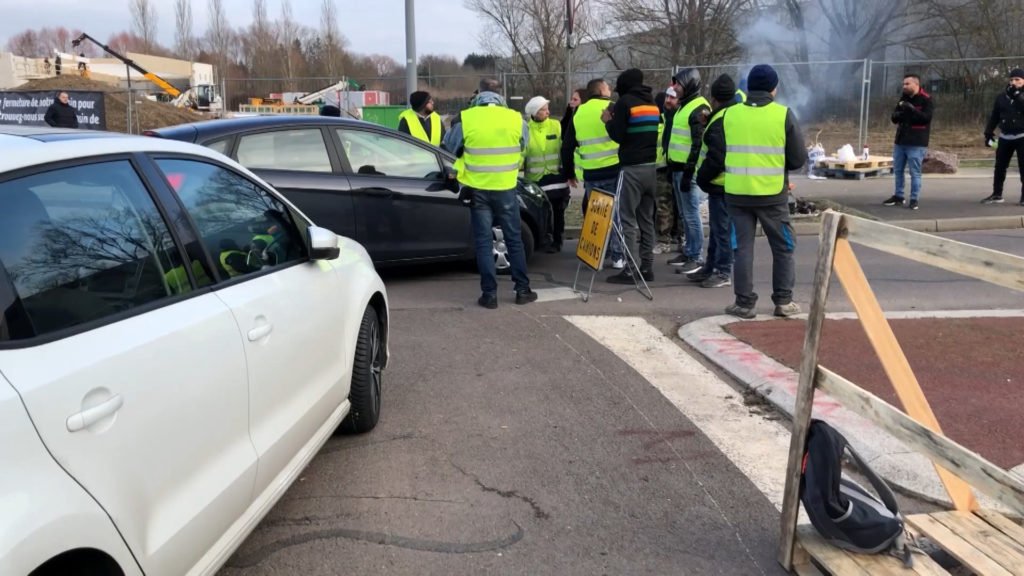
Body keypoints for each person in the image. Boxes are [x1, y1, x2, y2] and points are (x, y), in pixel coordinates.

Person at [716, 64, 807, 319]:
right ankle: (783, 301)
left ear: (748, 87)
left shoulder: (730, 115)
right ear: (774, 89)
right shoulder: (783, 114)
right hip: (772, 195)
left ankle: (744, 303)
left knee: (742, 249)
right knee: (783, 247)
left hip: (736, 194)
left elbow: (720, 151)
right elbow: (798, 158)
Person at [446, 78, 537, 309]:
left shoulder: (467, 118)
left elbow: (450, 147)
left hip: (478, 189)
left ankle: (489, 295)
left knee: (484, 242)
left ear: (480, 93)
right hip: (506, 187)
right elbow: (524, 146)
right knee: (514, 239)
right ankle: (522, 290)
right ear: (500, 94)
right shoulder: (516, 118)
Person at [603, 68, 659, 284]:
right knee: (646, 221)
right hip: (651, 168)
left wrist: (608, 120)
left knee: (627, 220)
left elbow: (618, 135)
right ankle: (647, 267)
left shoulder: (625, 103)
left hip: (632, 169)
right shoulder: (652, 103)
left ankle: (630, 270)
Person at [564, 78, 625, 268]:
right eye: (607, 86)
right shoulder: (612, 107)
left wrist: (569, 172)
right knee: (616, 215)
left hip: (591, 173)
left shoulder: (579, 112)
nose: (610, 89)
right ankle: (618, 257)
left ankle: (596, 254)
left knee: (596, 215)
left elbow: (567, 147)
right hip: (614, 169)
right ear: (600, 90)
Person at [692, 74, 741, 289]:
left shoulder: (721, 120)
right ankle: (711, 267)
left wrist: (702, 177)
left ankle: (722, 271)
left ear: (714, 97)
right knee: (717, 229)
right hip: (725, 183)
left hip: (721, 183)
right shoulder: (729, 113)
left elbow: (717, 156)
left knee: (721, 231)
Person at [666, 68, 711, 274]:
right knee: (685, 214)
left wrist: (688, 172)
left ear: (690, 84)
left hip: (688, 171)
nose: (674, 87)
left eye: (678, 84)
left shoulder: (698, 108)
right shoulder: (684, 106)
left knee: (691, 215)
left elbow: (698, 143)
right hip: (677, 168)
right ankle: (688, 251)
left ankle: (696, 256)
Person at [523, 95, 569, 252]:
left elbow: (565, 148)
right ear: (534, 113)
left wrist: (570, 172)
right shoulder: (526, 130)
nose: (547, 112)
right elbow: (521, 153)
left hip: (556, 176)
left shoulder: (556, 126)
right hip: (536, 180)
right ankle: (543, 239)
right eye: (543, 110)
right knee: (540, 211)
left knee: (558, 211)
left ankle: (557, 241)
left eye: (547, 109)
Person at [883, 74, 933, 210]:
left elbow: (925, 118)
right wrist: (897, 115)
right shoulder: (903, 98)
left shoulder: (926, 100)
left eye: (907, 84)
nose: (904, 86)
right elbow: (895, 117)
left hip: (916, 143)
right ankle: (898, 196)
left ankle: (914, 199)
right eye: (903, 84)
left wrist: (912, 110)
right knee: (898, 170)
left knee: (914, 172)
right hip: (901, 141)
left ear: (916, 85)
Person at [981, 68, 1024, 205]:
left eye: (1017, 80)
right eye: (1011, 80)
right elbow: (995, 116)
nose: (1014, 82)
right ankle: (997, 194)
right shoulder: (1002, 97)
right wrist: (988, 133)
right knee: (1000, 167)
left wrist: (1017, 96)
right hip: (1005, 136)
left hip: (1022, 135)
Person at [655, 87, 681, 254]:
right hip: (662, 168)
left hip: (678, 166)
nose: (668, 101)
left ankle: (682, 240)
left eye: (672, 98)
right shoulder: (660, 119)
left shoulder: (680, 120)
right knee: (663, 205)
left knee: (682, 206)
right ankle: (664, 240)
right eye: (667, 97)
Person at [561, 88, 586, 187]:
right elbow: (563, 133)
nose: (571, 102)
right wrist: (568, 112)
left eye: (575, 100)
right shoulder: (573, 115)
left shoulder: (580, 118)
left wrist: (570, 174)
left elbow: (567, 145)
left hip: (589, 168)